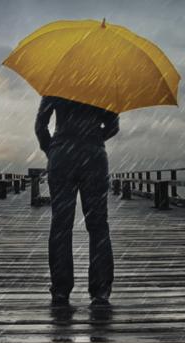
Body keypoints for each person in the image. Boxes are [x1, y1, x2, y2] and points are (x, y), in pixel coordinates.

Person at [35, 95, 119, 307]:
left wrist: (53, 148)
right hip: (94, 156)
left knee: (61, 225)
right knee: (98, 225)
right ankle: (100, 291)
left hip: (62, 155)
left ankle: (61, 290)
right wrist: (93, 138)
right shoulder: (103, 87)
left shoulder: (55, 85)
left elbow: (40, 126)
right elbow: (113, 126)